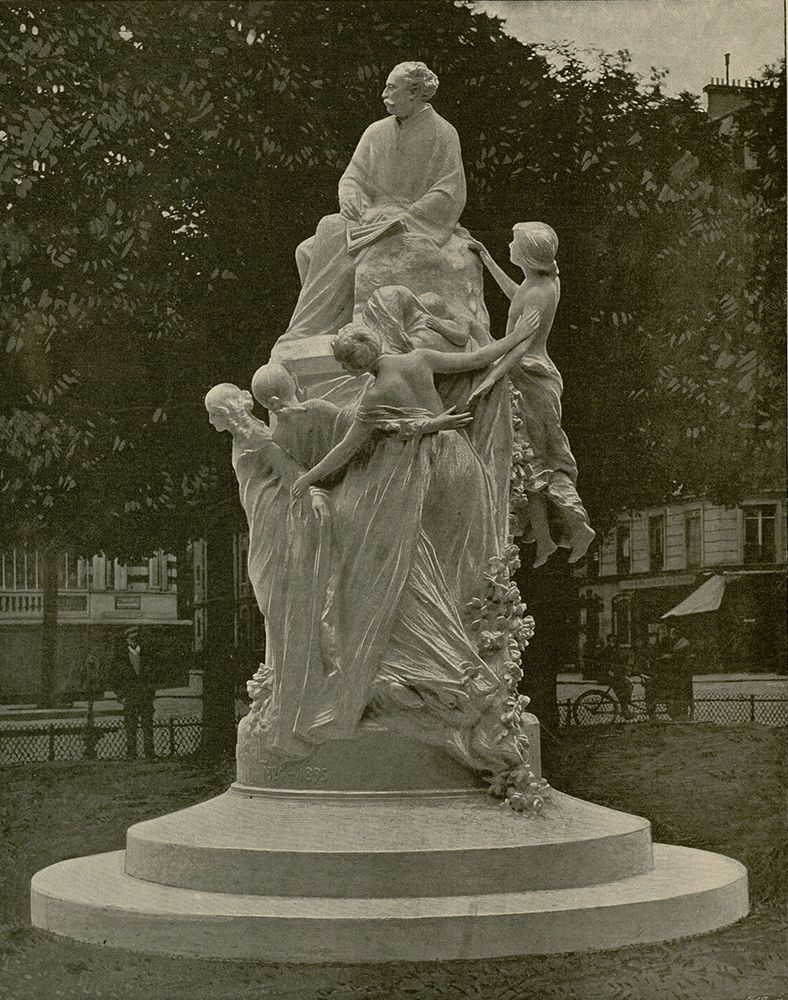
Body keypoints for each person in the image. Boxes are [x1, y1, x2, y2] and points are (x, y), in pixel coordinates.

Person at [277, 61, 466, 345]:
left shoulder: (443, 133)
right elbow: (353, 176)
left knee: (329, 228)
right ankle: (326, 328)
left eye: (392, 88)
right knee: (306, 250)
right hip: (368, 217)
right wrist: (350, 195)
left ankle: (310, 330)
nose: (383, 94)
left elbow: (450, 191)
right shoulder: (376, 131)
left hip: (412, 221)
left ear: (414, 93)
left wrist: (405, 213)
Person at [467, 223, 595, 567]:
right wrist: (488, 259)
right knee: (528, 465)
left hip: (531, 379)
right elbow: (516, 297)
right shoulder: (539, 282)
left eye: (513, 243)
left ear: (525, 255)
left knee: (542, 463)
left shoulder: (539, 291)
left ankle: (578, 530)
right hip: (525, 378)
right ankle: (547, 539)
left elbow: (518, 349)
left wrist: (490, 375)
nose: (508, 244)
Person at [111, 625, 158, 759]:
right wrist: (120, 695)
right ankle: (131, 752)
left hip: (145, 696)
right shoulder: (120, 657)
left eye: (137, 638)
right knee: (130, 726)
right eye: (131, 639)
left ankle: (150, 752)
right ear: (127, 640)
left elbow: (153, 675)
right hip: (129, 696)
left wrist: (151, 692)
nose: (134, 641)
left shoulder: (146, 655)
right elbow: (114, 678)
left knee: (147, 725)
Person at [599, 633, 634, 719]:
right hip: (608, 675)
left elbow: (621, 663)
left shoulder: (617, 651)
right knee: (622, 689)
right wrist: (608, 671)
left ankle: (625, 705)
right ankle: (624, 709)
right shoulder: (606, 651)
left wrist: (627, 671)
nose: (611, 642)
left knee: (629, 686)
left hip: (617, 675)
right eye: (610, 641)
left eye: (613, 641)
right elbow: (602, 664)